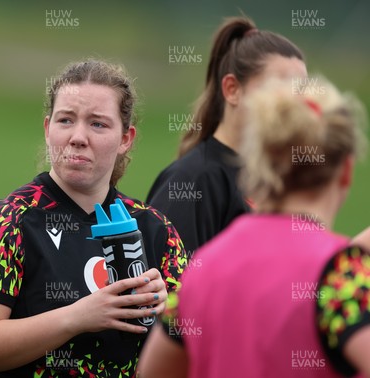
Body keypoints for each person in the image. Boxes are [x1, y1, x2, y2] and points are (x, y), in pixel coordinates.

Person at [0, 59, 186, 377]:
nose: (78, 137)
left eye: (98, 124)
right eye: (66, 120)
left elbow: (193, 346)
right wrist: (77, 317)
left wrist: (165, 312)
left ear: (126, 138)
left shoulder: (157, 229)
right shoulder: (7, 223)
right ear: (48, 128)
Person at [138, 77, 369, 377]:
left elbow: (154, 371)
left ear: (257, 162)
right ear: (346, 170)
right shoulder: (343, 273)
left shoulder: (203, 267)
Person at [146, 17, 307, 254]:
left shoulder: (279, 180)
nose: (292, 106)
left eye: (300, 93)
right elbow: (173, 286)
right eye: (278, 91)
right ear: (232, 90)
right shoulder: (193, 179)